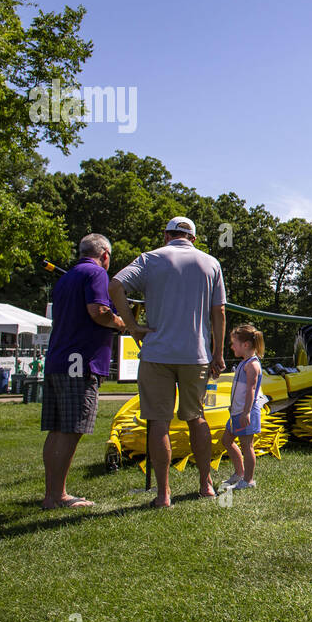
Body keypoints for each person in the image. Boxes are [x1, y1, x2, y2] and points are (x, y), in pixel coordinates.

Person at [109, 216, 226, 508]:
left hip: (157, 353)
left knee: (158, 422)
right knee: (196, 418)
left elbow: (115, 286)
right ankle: (206, 485)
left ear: (166, 235)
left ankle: (163, 494)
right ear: (193, 239)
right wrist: (218, 353)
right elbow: (219, 312)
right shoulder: (210, 263)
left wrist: (132, 325)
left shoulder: (150, 259)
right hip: (195, 355)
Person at [41, 233, 124, 509]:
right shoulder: (97, 274)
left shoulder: (66, 278)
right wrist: (122, 322)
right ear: (105, 255)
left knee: (56, 429)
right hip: (80, 364)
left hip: (57, 359)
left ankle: (52, 493)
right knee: (71, 430)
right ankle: (58, 496)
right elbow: (99, 311)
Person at [221, 324, 266, 491]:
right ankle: (239, 473)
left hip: (245, 413)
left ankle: (248, 480)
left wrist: (246, 412)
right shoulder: (244, 363)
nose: (232, 346)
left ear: (245, 345)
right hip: (237, 412)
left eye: (234, 343)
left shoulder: (252, 365)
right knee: (226, 440)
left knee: (247, 446)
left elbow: (251, 391)